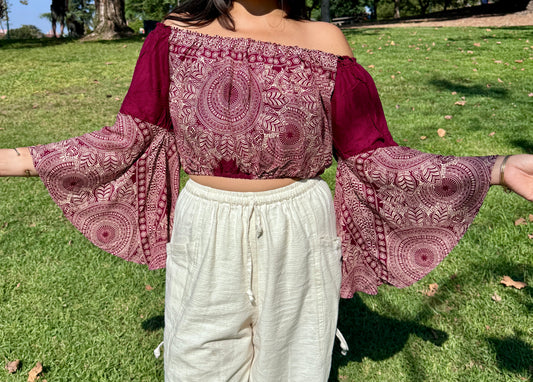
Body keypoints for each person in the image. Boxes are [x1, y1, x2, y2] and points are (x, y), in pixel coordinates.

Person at [1, 0, 532, 380]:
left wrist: (498, 167)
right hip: (206, 220)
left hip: (298, 223)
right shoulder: (172, 36)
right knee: (197, 359)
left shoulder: (325, 42)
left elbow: (374, 156)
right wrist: (13, 161)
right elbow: (125, 141)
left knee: (295, 361)